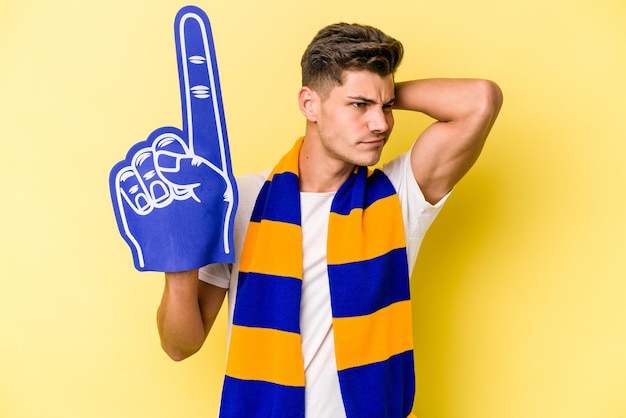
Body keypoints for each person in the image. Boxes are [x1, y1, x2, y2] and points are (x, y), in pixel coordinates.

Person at [156, 22, 502, 417]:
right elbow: (179, 345)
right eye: (359, 106)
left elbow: (480, 100)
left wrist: (376, 91)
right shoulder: (242, 202)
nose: (381, 124)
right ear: (309, 104)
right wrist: (179, 257)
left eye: (386, 108)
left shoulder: (397, 196)